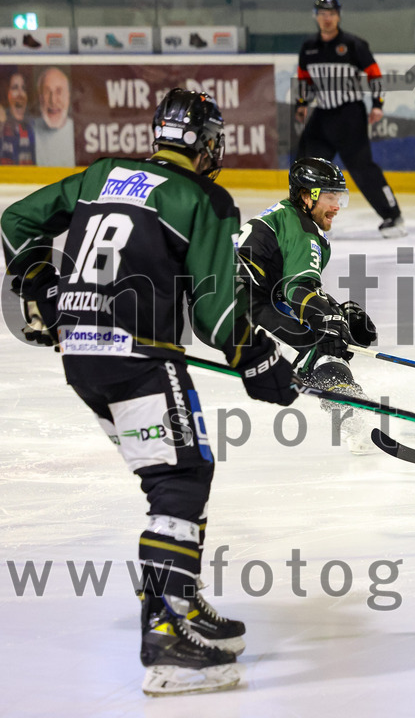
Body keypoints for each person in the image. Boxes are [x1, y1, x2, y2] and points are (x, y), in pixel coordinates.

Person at [0, 88, 297, 697]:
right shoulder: (203, 198)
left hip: (82, 356)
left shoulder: (103, 174)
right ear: (209, 144)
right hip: (137, 358)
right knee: (181, 476)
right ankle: (166, 634)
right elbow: (216, 312)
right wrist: (259, 357)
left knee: (174, 471)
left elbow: (14, 220)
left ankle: (180, 604)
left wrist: (37, 278)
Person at [235, 156, 378, 407]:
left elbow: (287, 287)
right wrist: (328, 319)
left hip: (235, 298)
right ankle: (350, 414)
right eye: (329, 198)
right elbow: (298, 289)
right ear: (306, 196)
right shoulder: (303, 230)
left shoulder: (285, 218)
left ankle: (340, 399)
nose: (336, 207)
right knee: (321, 345)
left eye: (339, 198)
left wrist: (336, 312)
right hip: (237, 305)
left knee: (325, 324)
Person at [295, 0, 405, 238]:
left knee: (362, 168)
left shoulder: (354, 45)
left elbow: (375, 75)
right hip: (322, 115)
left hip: (350, 116)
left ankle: (393, 216)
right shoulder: (309, 48)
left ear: (339, 16)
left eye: (331, 14)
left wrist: (378, 104)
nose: (327, 19)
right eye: (322, 14)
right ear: (316, 17)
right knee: (308, 167)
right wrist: (301, 104)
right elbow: (304, 79)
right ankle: (310, 219)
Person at [33, 66, 75, 167]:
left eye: (59, 91)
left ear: (68, 96)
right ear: (40, 98)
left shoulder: (80, 132)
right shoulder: (29, 130)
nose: (53, 100)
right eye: (47, 92)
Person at [1, 70, 36, 165]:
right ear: (8, 94)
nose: (20, 93)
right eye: (15, 88)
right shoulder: (2, 123)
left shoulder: (33, 126)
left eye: (23, 88)